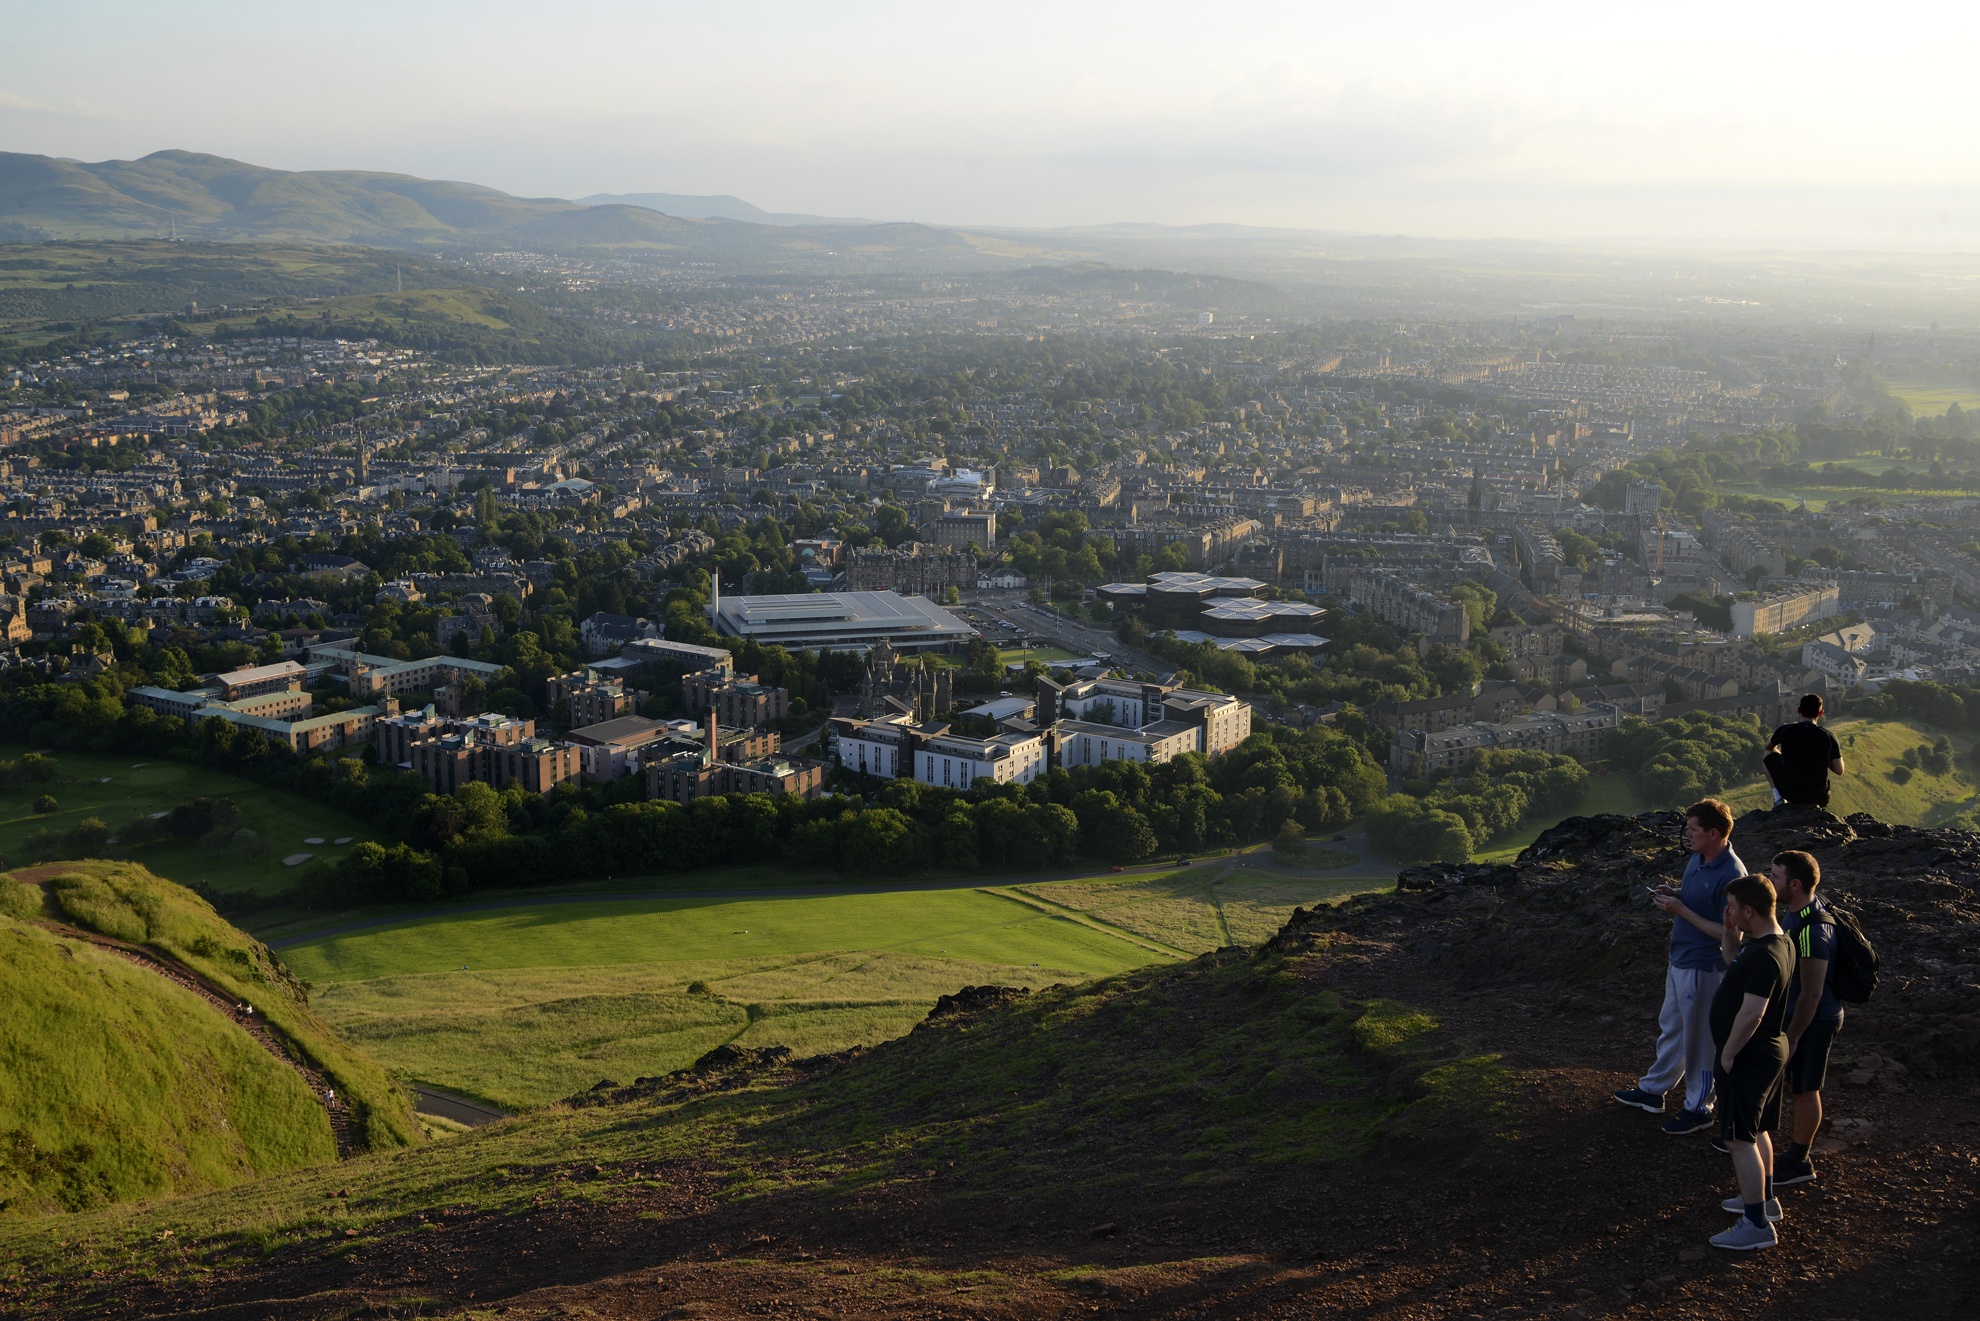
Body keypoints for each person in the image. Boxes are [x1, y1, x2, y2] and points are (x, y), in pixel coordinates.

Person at [1613, 798, 1747, 1135]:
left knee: (1701, 1038)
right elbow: (1697, 899)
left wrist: (1682, 911)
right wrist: (1675, 893)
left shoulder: (1732, 875)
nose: (1686, 834)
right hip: (1681, 960)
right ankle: (1654, 1090)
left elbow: (1730, 933)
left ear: (1713, 833)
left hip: (1705, 967)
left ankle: (1700, 1107)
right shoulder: (1699, 859)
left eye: (1692, 829)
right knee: (1672, 1026)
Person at [1708, 873, 1796, 1251]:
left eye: (1732, 908)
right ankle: (1765, 1201)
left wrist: (1728, 1051)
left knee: (1737, 1137)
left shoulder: (1765, 957)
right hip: (1767, 1050)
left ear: (1749, 910)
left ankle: (1756, 1224)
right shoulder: (1773, 941)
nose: (1728, 912)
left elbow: (1752, 1013)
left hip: (1749, 1054)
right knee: (1757, 1129)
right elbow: (1732, 958)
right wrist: (1730, 930)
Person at [1772, 849, 1842, 1188]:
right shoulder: (1796, 912)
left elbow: (1812, 993)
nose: (1770, 881)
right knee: (1795, 1083)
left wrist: (1794, 1036)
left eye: (1775, 876)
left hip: (1814, 1019)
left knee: (1805, 1087)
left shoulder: (1812, 931)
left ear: (1794, 884)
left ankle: (1799, 1160)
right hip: (1799, 1015)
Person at [1763, 695, 1844, 807]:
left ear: (1799, 710)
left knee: (1768, 754)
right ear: (1820, 713)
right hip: (1819, 797)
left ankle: (1778, 800)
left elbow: (1768, 747)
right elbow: (1839, 770)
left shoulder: (1785, 730)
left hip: (1791, 794)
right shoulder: (1828, 736)